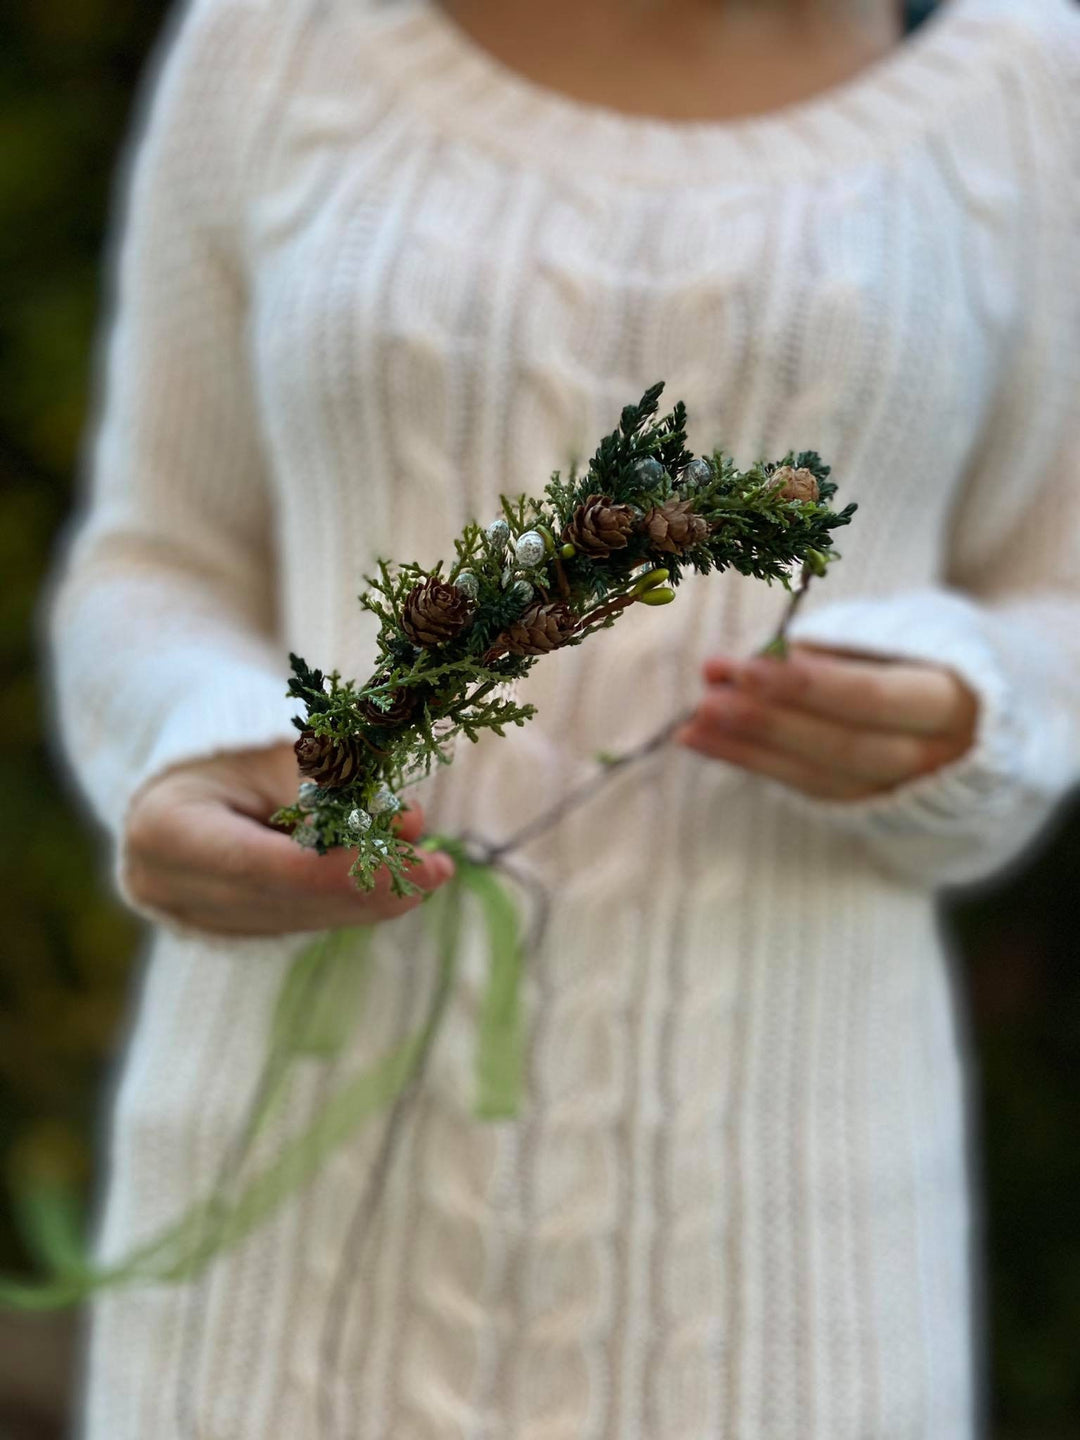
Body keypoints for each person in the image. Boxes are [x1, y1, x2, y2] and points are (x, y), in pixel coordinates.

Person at [46, 0, 1079, 1435]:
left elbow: (1061, 592)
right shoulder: (277, 41)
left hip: (780, 1243)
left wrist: (971, 705)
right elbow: (153, 560)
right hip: (284, 1213)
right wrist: (198, 743)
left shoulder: (1029, 86)